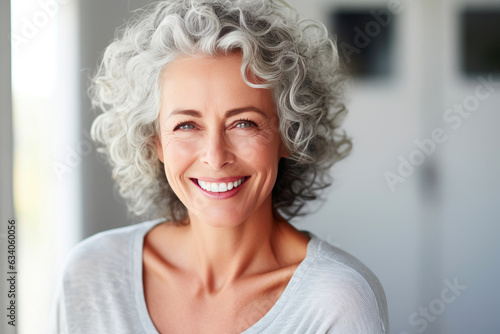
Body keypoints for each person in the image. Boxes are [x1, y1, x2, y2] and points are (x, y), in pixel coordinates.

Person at [49, 0, 389, 333]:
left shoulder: (337, 301)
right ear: (156, 143)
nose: (215, 156)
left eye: (244, 123)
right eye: (186, 125)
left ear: (289, 135)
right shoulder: (91, 275)